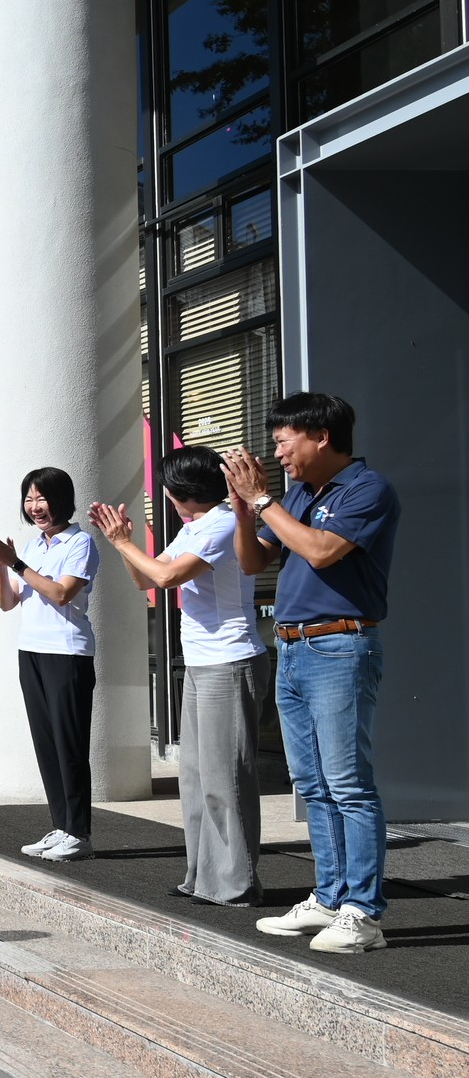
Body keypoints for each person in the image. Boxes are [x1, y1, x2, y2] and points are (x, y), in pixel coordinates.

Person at [227, 393, 401, 954]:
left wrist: (262, 500)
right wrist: (241, 507)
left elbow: (322, 551)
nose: (277, 453)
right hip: (293, 648)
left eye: (284, 440)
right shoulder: (298, 493)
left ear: (320, 437)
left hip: (341, 646)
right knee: (313, 785)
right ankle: (329, 897)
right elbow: (254, 562)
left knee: (349, 784)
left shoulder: (367, 490)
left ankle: (363, 913)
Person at [90, 448, 268, 907]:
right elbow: (145, 581)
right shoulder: (197, 527)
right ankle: (204, 876)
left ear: (177, 493)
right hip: (202, 664)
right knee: (194, 776)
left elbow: (167, 577)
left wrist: (125, 544)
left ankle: (237, 883)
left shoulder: (225, 524)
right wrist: (123, 542)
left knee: (225, 778)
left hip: (230, 662)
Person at [0, 467, 99, 863]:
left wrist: (16, 563)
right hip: (30, 650)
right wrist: (2, 566)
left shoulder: (80, 542)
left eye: (42, 498)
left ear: (61, 499)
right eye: (29, 499)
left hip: (67, 653)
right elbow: (7, 602)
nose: (35, 507)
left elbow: (62, 592)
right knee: (46, 744)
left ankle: (79, 833)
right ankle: (61, 825)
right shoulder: (33, 547)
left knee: (69, 745)